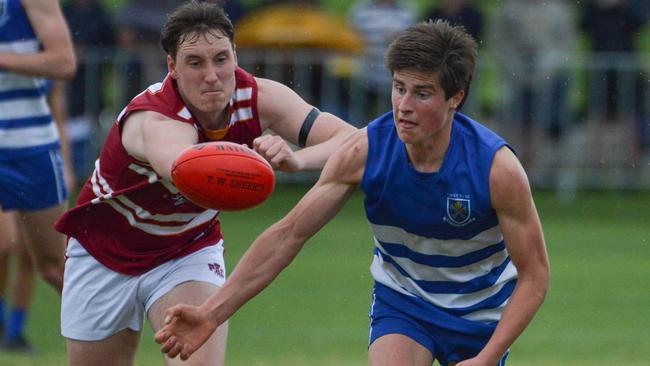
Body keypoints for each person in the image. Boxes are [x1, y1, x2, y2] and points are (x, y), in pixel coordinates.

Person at [155, 20, 550, 366]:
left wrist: (486, 358)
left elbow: (534, 276)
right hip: (404, 302)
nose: (403, 106)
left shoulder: (495, 168)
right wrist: (211, 314)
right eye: (398, 88)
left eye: (422, 93)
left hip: (478, 314)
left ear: (455, 98)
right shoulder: (366, 151)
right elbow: (287, 235)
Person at [53, 2, 355, 365]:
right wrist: (244, 166)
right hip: (104, 251)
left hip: (185, 249)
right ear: (172, 68)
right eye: (195, 62)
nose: (211, 75)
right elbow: (184, 168)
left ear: (235, 56)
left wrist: (297, 159)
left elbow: (352, 141)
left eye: (221, 59)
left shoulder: (260, 97)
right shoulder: (155, 118)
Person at [0, 0, 77, 298]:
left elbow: (64, 62)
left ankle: (113, 335)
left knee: (54, 267)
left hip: (30, 145)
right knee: (3, 244)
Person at [0, 79, 75, 354]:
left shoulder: (42, 59)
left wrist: (64, 164)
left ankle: (14, 332)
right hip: (5, 156)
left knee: (33, 256)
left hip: (34, 157)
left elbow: (57, 114)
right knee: (4, 243)